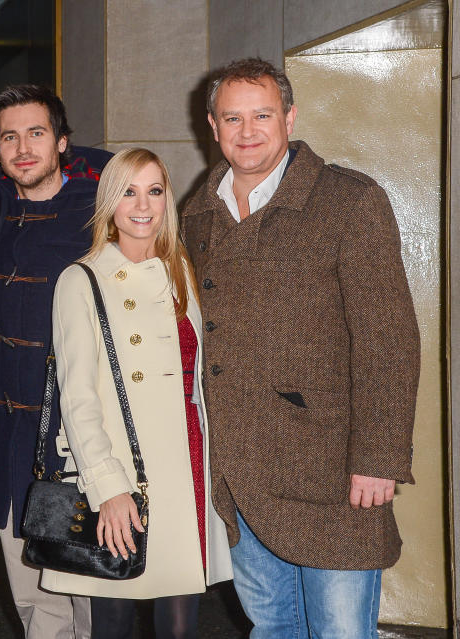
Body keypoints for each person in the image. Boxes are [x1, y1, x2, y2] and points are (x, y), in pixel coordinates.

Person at [182, 57, 421, 638]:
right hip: (239, 469)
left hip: (332, 469)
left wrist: (379, 458)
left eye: (262, 114)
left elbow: (389, 339)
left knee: (340, 630)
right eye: (232, 118)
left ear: (290, 116)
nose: (247, 131)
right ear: (212, 127)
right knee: (271, 626)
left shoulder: (349, 202)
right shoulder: (196, 214)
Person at [43, 148, 233, 639]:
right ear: (109, 201)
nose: (143, 204)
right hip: (127, 474)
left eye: (154, 190)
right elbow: (77, 399)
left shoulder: (182, 271)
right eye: (128, 191)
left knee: (180, 625)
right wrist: (108, 488)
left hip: (188, 467)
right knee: (114, 620)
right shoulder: (80, 280)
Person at [0, 83, 110, 639]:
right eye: (10, 136)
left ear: (62, 142)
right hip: (10, 434)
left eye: (36, 133)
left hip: (75, 434)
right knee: (32, 593)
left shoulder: (101, 215)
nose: (23, 147)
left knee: (90, 591)